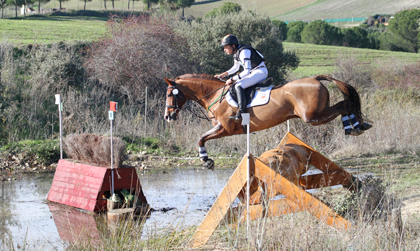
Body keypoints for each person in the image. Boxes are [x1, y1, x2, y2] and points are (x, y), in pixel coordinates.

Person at [214, 34, 268, 121]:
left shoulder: (244, 51)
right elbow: (236, 68)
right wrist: (223, 74)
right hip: (253, 72)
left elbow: (246, 71)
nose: (224, 50)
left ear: (233, 46)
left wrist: (232, 79)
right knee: (237, 85)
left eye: (226, 47)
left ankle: (242, 113)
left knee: (238, 85)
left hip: (260, 72)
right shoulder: (236, 53)